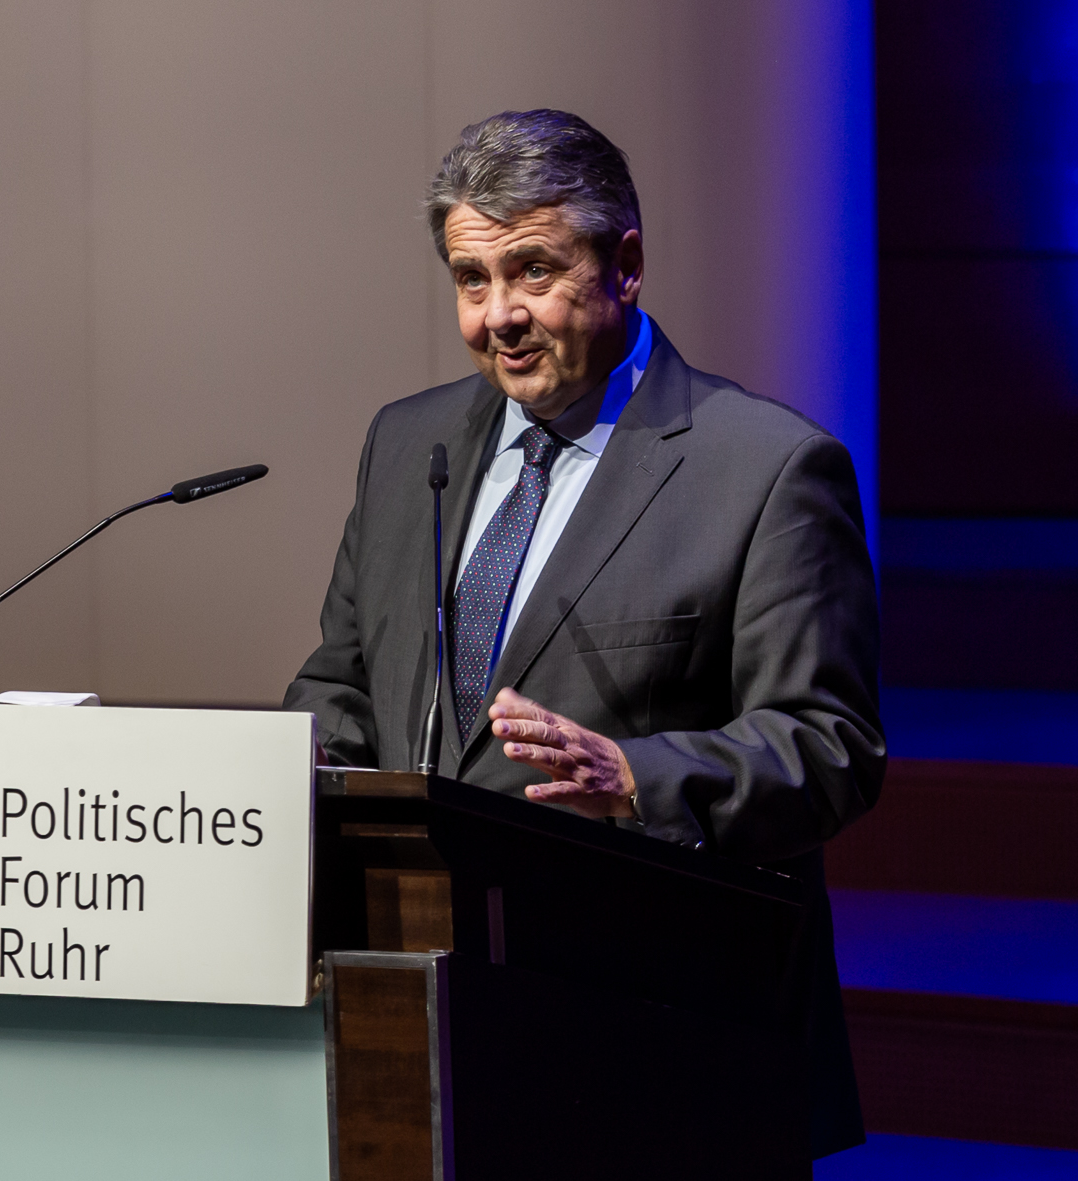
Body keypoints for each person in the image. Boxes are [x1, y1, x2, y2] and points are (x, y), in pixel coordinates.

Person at [284, 108, 886, 1158]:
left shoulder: (767, 469)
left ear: (626, 266)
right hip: (421, 1019)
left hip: (660, 1037)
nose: (499, 317)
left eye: (533, 270)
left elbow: (827, 746)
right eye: (471, 280)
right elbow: (342, 678)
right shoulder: (407, 444)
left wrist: (636, 778)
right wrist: (307, 762)